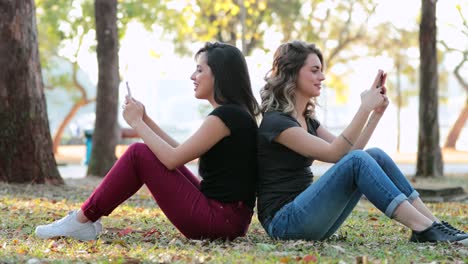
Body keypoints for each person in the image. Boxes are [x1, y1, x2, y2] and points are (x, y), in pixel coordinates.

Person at [36, 42, 260, 241]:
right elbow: (179, 151)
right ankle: (83, 220)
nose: (193, 76)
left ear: (220, 75)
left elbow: (171, 159)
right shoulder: (233, 114)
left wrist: (137, 124)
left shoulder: (226, 117)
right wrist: (145, 119)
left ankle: (82, 220)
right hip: (228, 218)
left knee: (138, 154)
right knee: (145, 153)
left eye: (200, 70)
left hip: (219, 220)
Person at [256, 40, 467, 244]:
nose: (322, 76)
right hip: (283, 223)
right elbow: (335, 154)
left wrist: (375, 114)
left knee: (374, 155)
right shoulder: (276, 123)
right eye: (314, 70)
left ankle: (435, 225)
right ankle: (424, 228)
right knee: (358, 160)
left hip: (306, 214)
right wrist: (363, 108)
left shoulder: (307, 120)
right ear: (291, 73)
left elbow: (350, 154)